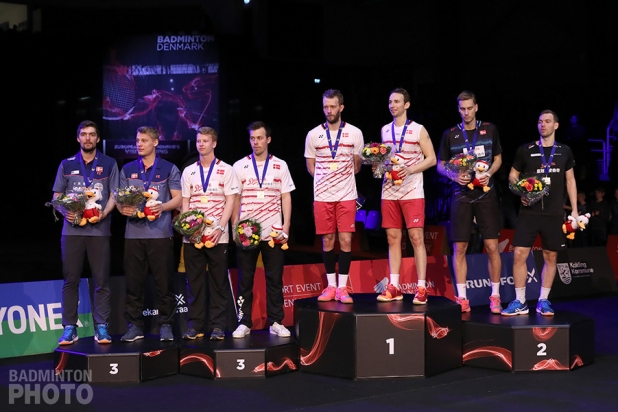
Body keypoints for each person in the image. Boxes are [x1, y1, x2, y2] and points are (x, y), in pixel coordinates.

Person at [502, 110, 578, 317]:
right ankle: (520, 301)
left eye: (547, 121)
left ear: (556, 125)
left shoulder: (564, 151)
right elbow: (513, 175)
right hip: (529, 212)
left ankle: (543, 300)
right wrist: (521, 191)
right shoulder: (525, 150)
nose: (542, 125)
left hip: (554, 213)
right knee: (519, 254)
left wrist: (574, 210)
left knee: (550, 256)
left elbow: (570, 181)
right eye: (540, 121)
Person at [53, 120, 119, 345]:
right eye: (84, 134)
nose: (88, 138)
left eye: (92, 134)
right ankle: (69, 328)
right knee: (71, 279)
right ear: (78, 138)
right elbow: (57, 196)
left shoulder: (109, 163)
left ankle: (102, 327)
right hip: (71, 231)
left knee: (101, 280)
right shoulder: (67, 164)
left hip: (99, 230)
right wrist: (66, 212)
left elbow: (114, 195)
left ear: (98, 139)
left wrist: (104, 213)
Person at [436, 91, 503, 313]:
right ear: (459, 109)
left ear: (476, 107)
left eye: (469, 108)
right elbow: (440, 164)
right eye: (462, 109)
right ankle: (462, 297)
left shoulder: (490, 129)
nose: (466, 112)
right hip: (461, 195)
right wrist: (453, 175)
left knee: (492, 246)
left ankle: (495, 295)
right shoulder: (450, 134)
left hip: (486, 194)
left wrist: (489, 174)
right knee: (460, 247)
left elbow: (498, 159)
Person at [117, 126, 182, 342]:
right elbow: (120, 200)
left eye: (144, 140)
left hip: (160, 235)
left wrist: (162, 207)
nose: (139, 144)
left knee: (164, 283)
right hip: (133, 235)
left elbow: (178, 198)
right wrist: (123, 209)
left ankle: (166, 325)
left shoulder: (169, 168)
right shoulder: (127, 169)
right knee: (133, 284)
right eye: (137, 140)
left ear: (155, 142)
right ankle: (135, 325)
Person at [231, 121, 296, 338]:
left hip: (273, 233)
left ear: (268, 139)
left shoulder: (280, 165)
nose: (255, 142)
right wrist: (235, 227)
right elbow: (235, 198)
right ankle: (243, 322)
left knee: (275, 279)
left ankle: (276, 321)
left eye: (259, 138)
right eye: (252, 138)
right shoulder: (239, 166)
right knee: (245, 280)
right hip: (247, 234)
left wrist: (286, 227)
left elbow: (286, 196)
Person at [375, 88, 436, 303]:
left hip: (412, 191)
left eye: (397, 102)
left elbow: (432, 159)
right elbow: (386, 159)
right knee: (392, 239)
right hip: (389, 191)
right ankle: (394, 287)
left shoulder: (418, 129)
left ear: (407, 105)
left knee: (416, 238)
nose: (392, 105)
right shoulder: (385, 130)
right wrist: (378, 167)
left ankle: (421, 288)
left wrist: (409, 170)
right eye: (390, 102)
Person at [304, 89, 364, 304]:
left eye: (332, 107)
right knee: (327, 240)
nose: (328, 111)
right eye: (325, 107)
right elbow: (310, 166)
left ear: (341, 108)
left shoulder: (355, 132)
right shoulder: (313, 134)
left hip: (346, 195)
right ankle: (331, 286)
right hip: (322, 196)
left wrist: (340, 178)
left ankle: (343, 288)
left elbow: (357, 166)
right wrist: (326, 180)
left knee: (346, 240)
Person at [180, 127, 239, 340]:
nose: (201, 144)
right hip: (193, 237)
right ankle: (195, 325)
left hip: (217, 236)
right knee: (194, 282)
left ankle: (218, 326)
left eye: (205, 141)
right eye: (199, 141)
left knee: (218, 282)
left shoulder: (227, 170)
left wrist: (221, 227)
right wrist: (188, 229)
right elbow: (185, 202)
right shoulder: (189, 171)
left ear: (214, 144)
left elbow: (230, 201)